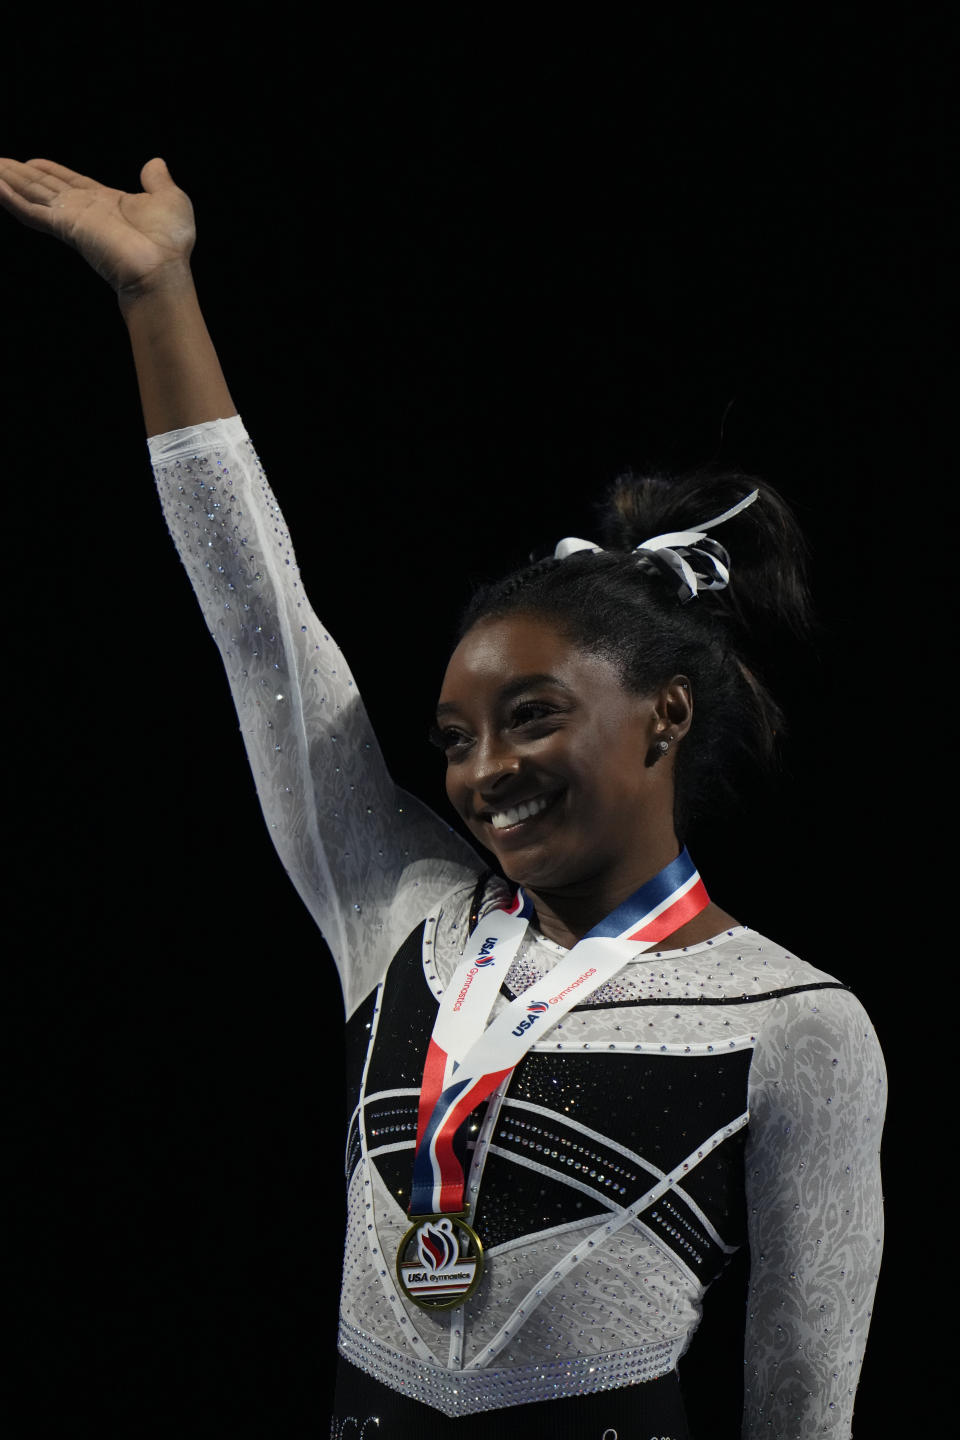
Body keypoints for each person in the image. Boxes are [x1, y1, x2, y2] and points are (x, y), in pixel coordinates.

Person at [0, 156, 886, 1439]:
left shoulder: (800, 1028)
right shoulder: (402, 913)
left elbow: (805, 1411)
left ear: (665, 715)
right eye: (456, 739)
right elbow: (264, 626)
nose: (482, 776)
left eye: (532, 719)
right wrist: (158, 295)